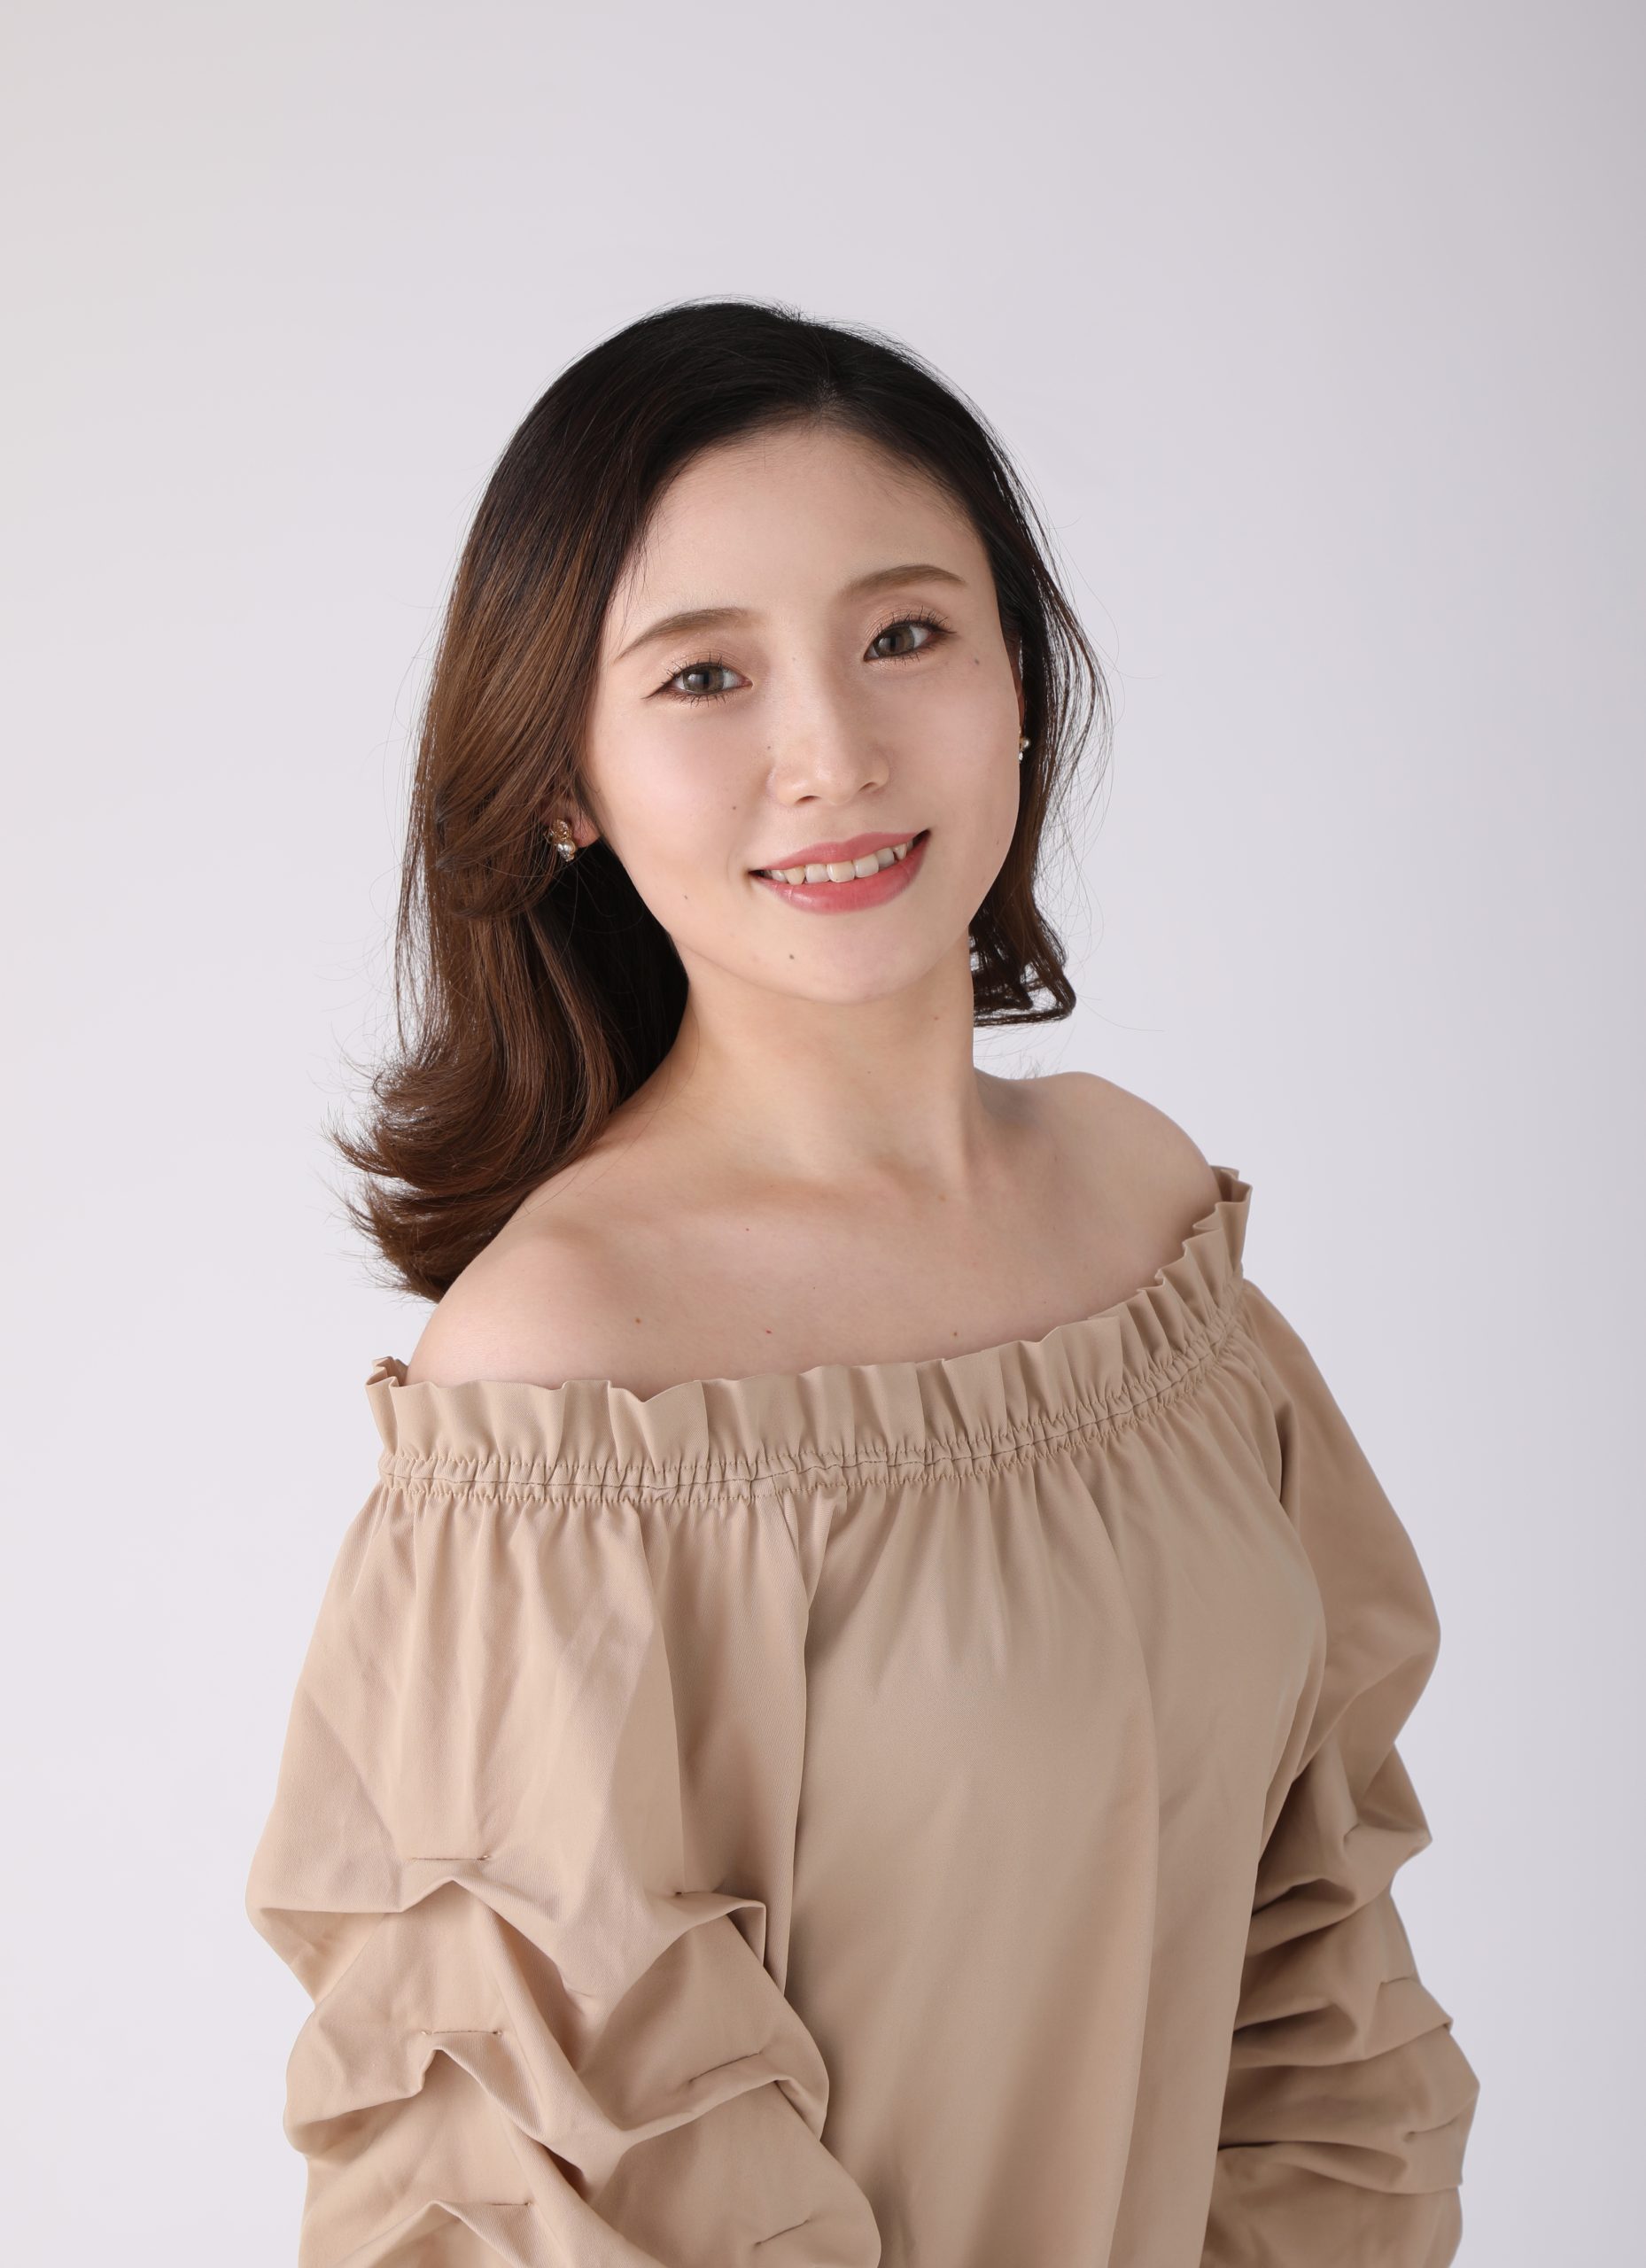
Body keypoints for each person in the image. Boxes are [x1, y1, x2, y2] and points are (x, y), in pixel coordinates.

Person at [245, 298, 1480, 2265]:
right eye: (703, 675)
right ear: (563, 781)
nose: (831, 753)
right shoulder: (566, 1373)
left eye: (904, 635)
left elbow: (1309, 1946)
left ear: (1017, 685)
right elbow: (560, 2193)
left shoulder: (1139, 1211)